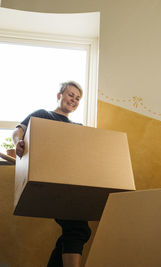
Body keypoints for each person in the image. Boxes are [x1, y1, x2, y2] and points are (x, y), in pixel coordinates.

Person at [12, 81, 91, 267]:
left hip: (72, 183)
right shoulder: (43, 115)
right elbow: (19, 131)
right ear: (59, 96)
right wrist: (18, 142)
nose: (74, 100)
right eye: (71, 95)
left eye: (78, 98)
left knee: (77, 230)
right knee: (77, 227)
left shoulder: (78, 126)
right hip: (49, 181)